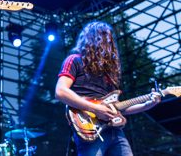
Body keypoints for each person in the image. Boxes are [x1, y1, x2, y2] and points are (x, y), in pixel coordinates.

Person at [55, 21, 161, 156]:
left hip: (114, 130)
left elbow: (118, 107)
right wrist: (95, 108)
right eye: (105, 38)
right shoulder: (75, 60)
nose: (109, 43)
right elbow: (60, 91)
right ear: (92, 39)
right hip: (89, 128)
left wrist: (148, 104)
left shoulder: (110, 73)